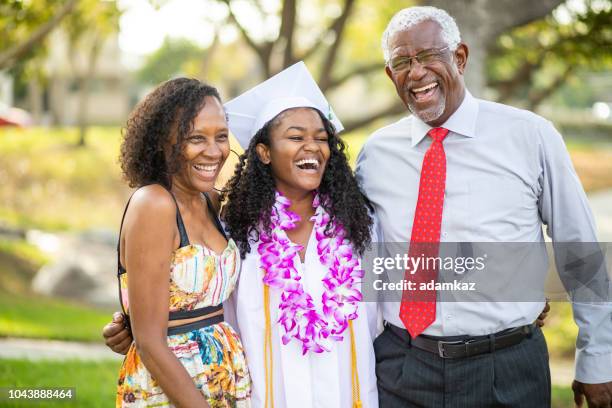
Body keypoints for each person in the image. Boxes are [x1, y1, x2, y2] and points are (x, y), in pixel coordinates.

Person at [355, 6, 612, 408]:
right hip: (403, 367)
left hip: (507, 368)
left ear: (459, 57)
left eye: (428, 56)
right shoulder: (374, 156)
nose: (416, 72)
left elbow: (577, 249)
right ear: (391, 75)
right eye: (403, 62)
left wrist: (598, 358)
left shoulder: (530, 136)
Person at [222, 62, 379, 408]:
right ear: (264, 152)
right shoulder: (238, 233)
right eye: (295, 137)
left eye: (321, 139)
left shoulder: (360, 225)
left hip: (349, 394)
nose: (313, 147)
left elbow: (382, 316)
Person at [113, 78, 251, 407]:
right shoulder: (155, 205)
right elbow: (149, 341)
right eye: (195, 139)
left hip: (224, 376)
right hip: (172, 385)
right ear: (164, 142)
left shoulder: (211, 201)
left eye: (221, 137)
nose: (214, 151)